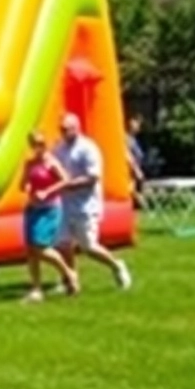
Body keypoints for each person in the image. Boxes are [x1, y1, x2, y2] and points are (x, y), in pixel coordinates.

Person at [54, 113, 133, 290]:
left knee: (88, 246)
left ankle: (117, 265)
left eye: (67, 129)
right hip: (65, 204)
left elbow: (92, 177)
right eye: (61, 129)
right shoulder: (59, 149)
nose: (63, 132)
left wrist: (69, 185)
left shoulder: (88, 148)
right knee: (63, 244)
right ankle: (70, 279)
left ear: (77, 128)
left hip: (85, 204)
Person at [20, 130, 79, 302]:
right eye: (34, 145)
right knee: (31, 250)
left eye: (41, 144)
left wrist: (47, 191)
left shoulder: (51, 163)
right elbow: (22, 184)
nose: (38, 148)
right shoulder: (29, 163)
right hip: (32, 208)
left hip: (49, 208)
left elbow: (66, 179)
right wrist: (26, 185)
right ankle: (36, 289)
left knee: (41, 247)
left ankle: (68, 273)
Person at [125, 115, 146, 209]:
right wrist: (136, 169)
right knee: (131, 189)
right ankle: (141, 202)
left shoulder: (133, 139)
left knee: (136, 188)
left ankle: (139, 203)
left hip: (135, 169)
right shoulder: (126, 139)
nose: (138, 126)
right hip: (130, 170)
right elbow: (127, 154)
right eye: (136, 123)